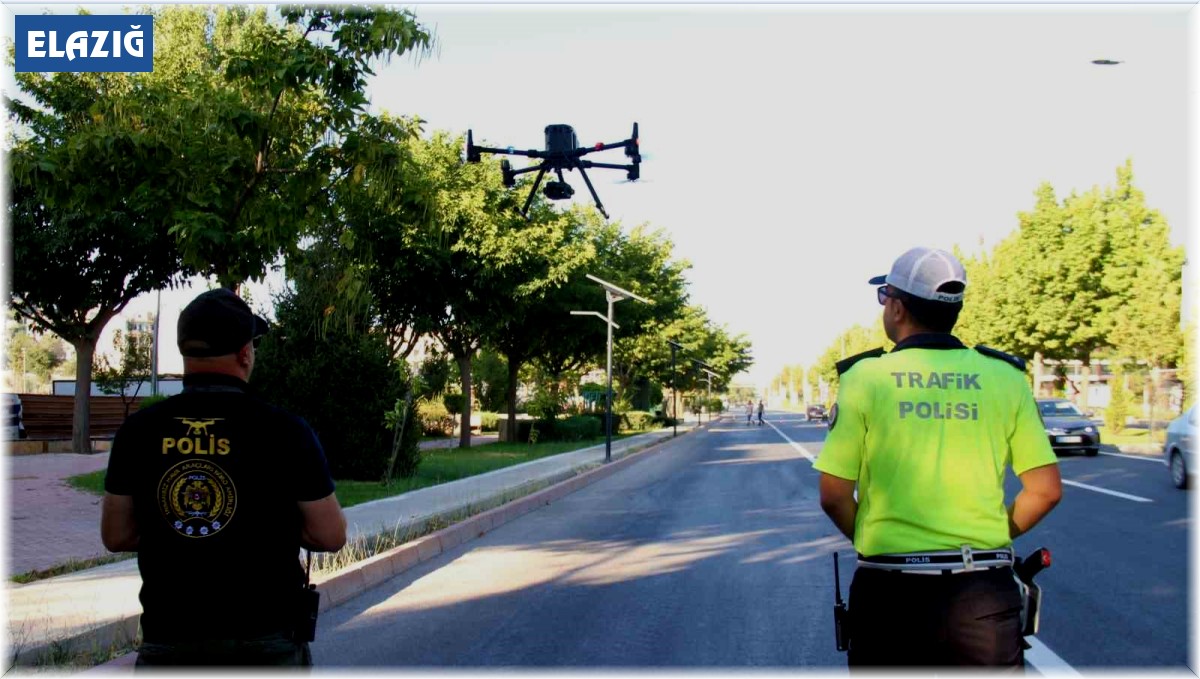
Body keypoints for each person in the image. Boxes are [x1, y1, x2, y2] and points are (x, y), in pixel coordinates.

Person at [813, 246, 1062, 669]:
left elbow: (834, 495)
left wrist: (877, 541)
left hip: (889, 597)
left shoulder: (865, 378)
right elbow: (1045, 490)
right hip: (984, 597)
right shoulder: (1006, 378)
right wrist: (986, 537)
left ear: (895, 307)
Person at [101, 289, 347, 667]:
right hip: (265, 644)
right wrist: (261, 528)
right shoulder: (286, 431)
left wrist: (178, 530)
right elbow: (329, 535)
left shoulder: (138, 432)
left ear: (185, 352)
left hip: (170, 642)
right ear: (245, 353)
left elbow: (116, 535)